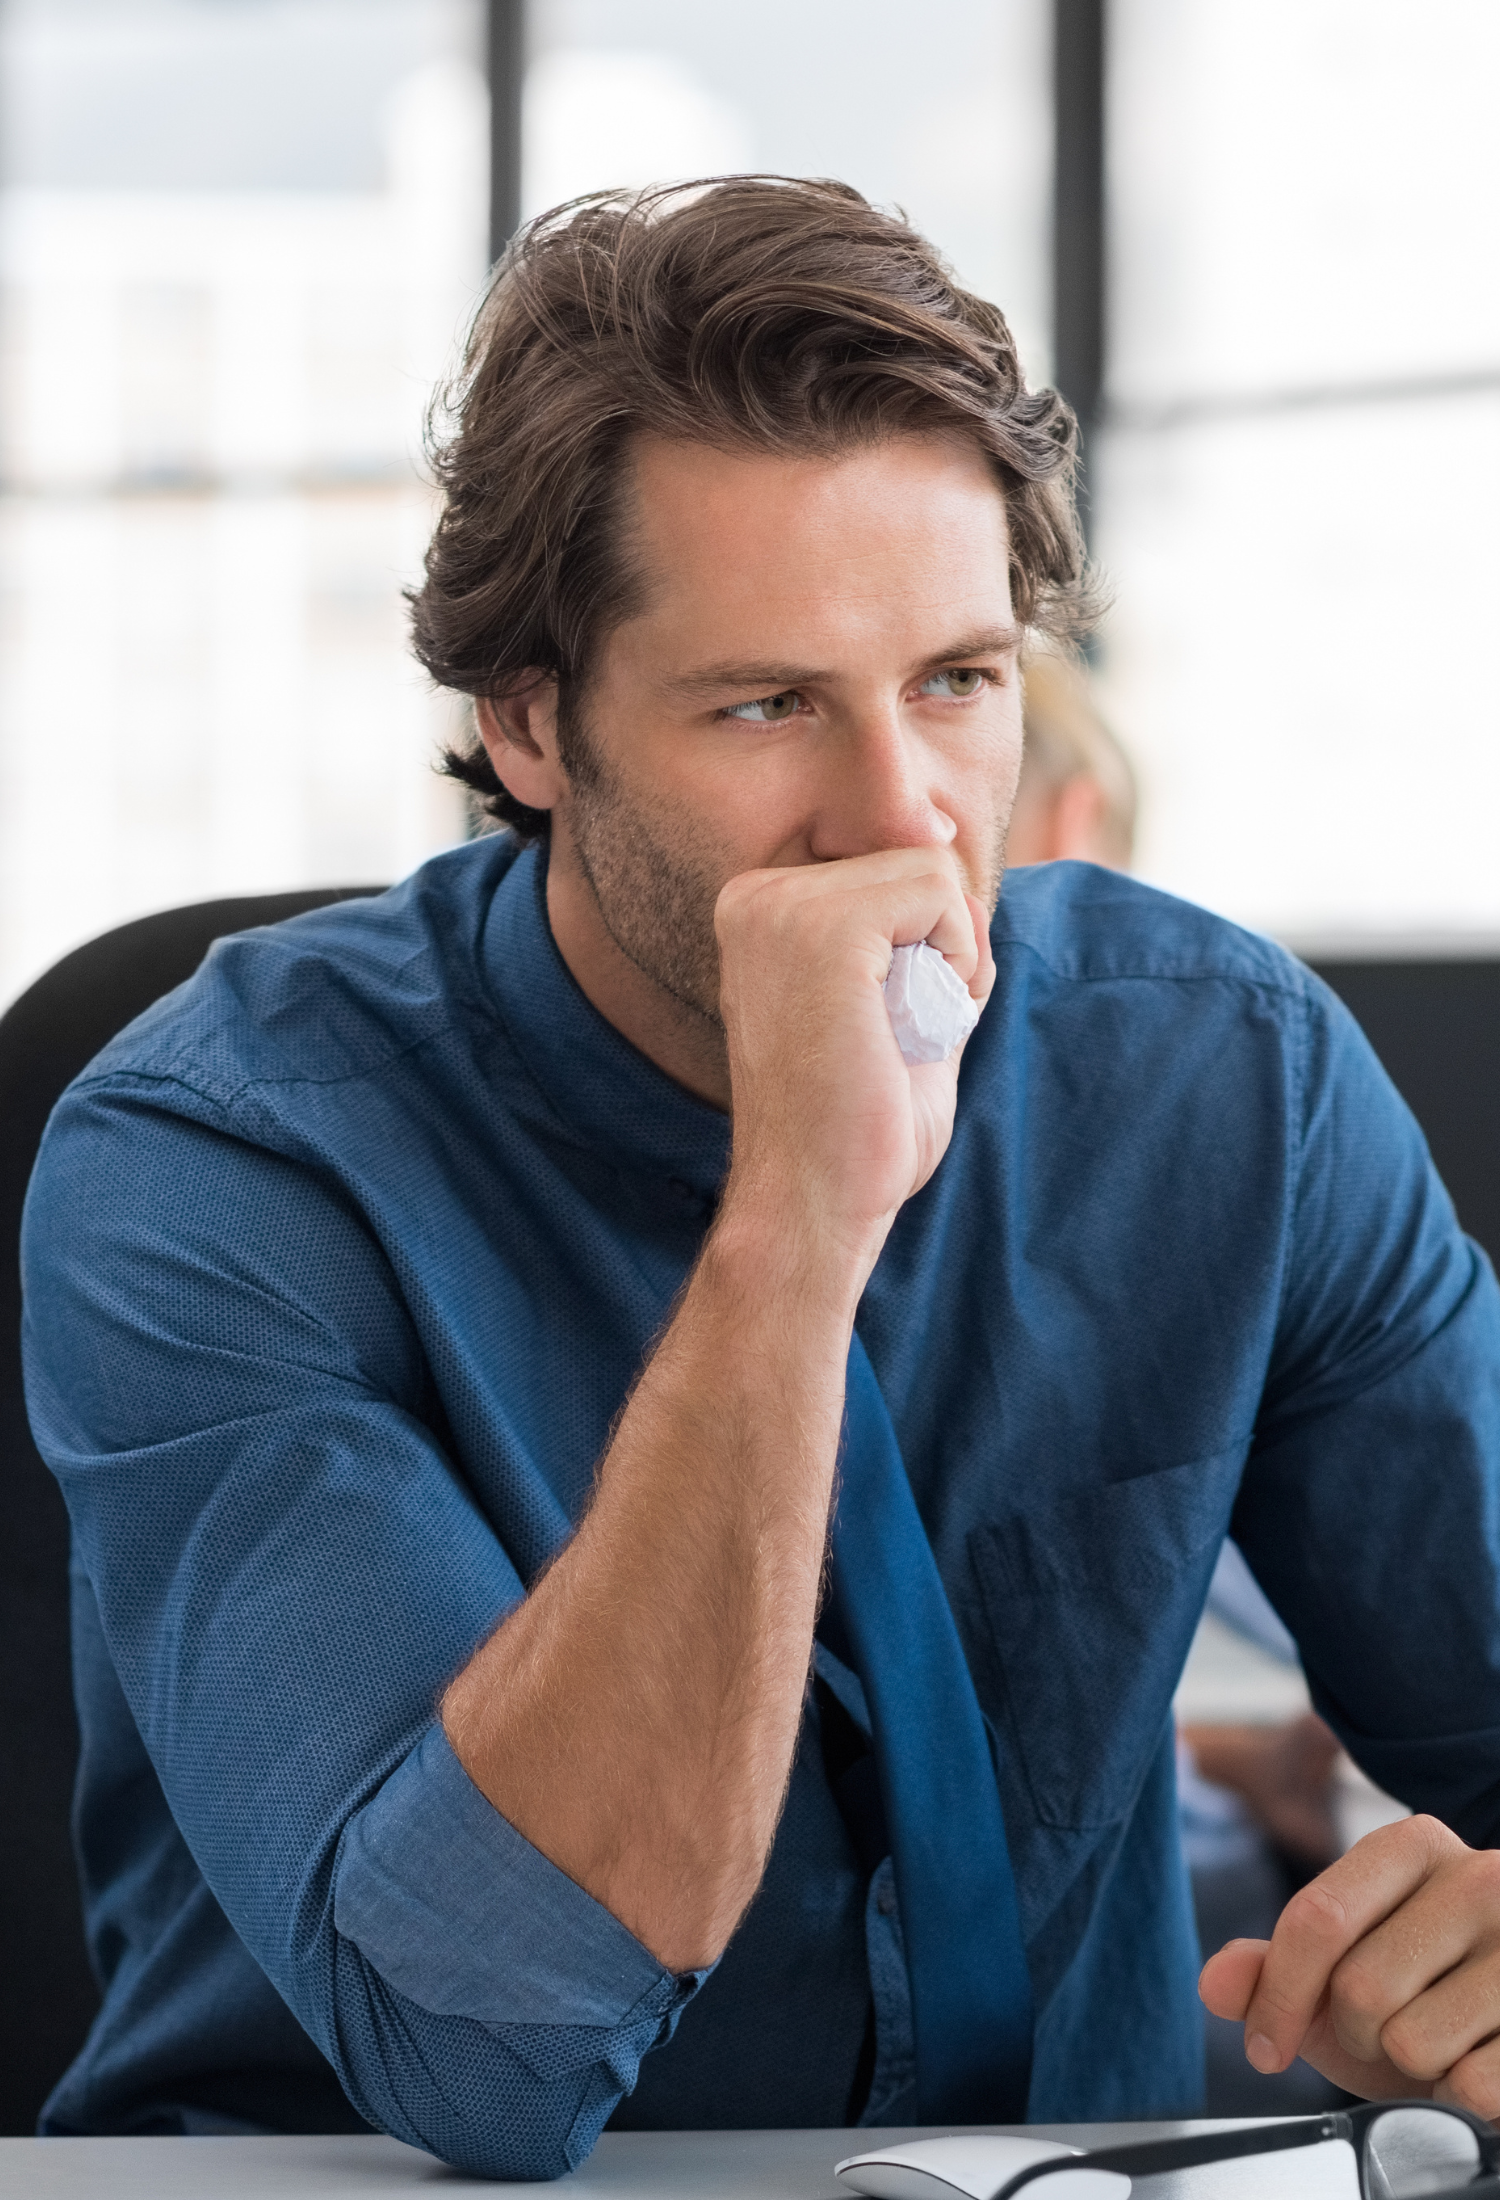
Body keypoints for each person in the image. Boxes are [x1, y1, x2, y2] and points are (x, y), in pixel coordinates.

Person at [21, 179, 1500, 2175]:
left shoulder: (1223, 1075)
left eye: (960, 683)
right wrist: (800, 1217)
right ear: (528, 719)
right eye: (769, 704)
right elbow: (486, 2051)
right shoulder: (220, 1158)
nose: (902, 824)